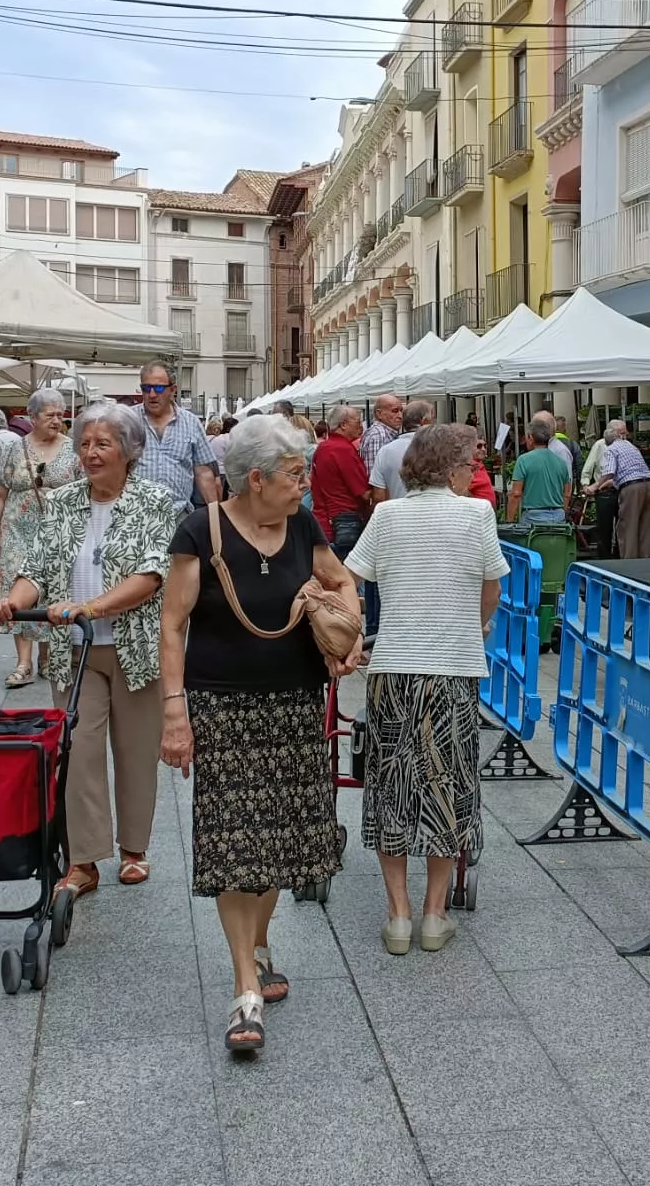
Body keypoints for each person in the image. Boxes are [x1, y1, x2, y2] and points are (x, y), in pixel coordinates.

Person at [158, 415, 360, 1054]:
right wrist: (173, 710)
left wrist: (345, 628)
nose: (305, 484)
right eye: (295, 474)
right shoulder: (201, 531)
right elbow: (173, 624)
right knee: (232, 846)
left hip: (296, 704)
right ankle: (245, 987)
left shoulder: (302, 525)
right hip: (223, 707)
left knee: (276, 843)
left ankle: (261, 941)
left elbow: (343, 580)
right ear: (255, 479)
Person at [0, 401, 182, 895]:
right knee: (79, 749)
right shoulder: (64, 501)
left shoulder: (156, 501)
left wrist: (90, 607)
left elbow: (153, 575)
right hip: (73, 649)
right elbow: (37, 568)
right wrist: (14, 601)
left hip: (135, 647)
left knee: (136, 752)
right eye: (85, 444)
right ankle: (85, 859)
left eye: (102, 444)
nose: (91, 453)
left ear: (129, 450)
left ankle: (134, 849)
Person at [344, 424, 507, 955]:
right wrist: (476, 626)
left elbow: (353, 577)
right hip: (454, 668)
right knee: (446, 784)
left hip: (393, 667)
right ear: (453, 469)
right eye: (469, 465)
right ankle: (435, 916)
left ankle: (398, 915)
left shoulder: (387, 515)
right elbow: (491, 587)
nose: (473, 473)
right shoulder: (476, 514)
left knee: (392, 783)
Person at [0, 387, 79, 689]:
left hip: (57, 534)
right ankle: (23, 662)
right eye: (49, 415)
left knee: (52, 592)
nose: (57, 420)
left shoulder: (73, 448)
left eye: (60, 414)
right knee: (17, 593)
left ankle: (47, 656)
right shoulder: (15, 448)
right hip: (18, 533)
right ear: (32, 417)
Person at [135, 363, 219, 507]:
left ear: (173, 390)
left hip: (179, 515)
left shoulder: (191, 422)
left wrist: (215, 517)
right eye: (146, 388)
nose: (152, 394)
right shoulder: (128, 420)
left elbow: (204, 473)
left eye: (159, 388)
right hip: (137, 516)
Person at [588, 418, 650, 559]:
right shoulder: (631, 446)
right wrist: (607, 484)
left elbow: (608, 473)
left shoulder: (611, 449)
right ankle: (645, 560)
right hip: (649, 485)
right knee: (646, 526)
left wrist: (595, 486)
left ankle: (629, 563)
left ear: (607, 442)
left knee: (628, 526)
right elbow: (627, 473)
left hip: (632, 490)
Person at [309, 404, 371, 558]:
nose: (361, 426)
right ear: (343, 424)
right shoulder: (342, 450)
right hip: (344, 523)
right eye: (357, 422)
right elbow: (363, 493)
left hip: (326, 521)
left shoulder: (323, 448)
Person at [508, 417, 573, 526]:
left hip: (532, 518)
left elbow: (516, 494)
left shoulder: (523, 460)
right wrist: (562, 511)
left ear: (531, 438)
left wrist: (509, 520)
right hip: (558, 517)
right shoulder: (561, 462)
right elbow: (567, 493)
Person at [372, 399, 433, 500]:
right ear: (424, 422)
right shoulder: (438, 448)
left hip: (396, 512)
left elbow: (379, 496)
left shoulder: (385, 451)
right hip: (433, 511)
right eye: (432, 420)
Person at [360, 393, 403, 474]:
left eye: (401, 411)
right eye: (395, 411)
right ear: (379, 414)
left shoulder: (385, 433)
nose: (400, 416)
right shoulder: (378, 435)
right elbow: (373, 474)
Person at [532, 409, 573, 479]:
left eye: (536, 427)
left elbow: (566, 481)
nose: (532, 431)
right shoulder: (538, 447)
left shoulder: (560, 451)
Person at [467, 433, 498, 507]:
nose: (483, 449)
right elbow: (460, 490)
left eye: (485, 446)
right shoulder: (468, 467)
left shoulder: (479, 465)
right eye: (479, 446)